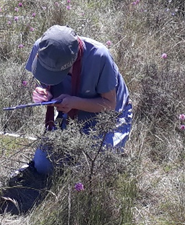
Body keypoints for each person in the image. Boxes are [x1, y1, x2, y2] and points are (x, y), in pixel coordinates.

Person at [24, 25, 133, 175]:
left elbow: (109, 105)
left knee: (89, 170)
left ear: (73, 60)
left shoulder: (99, 57)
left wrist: (75, 102)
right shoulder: (43, 49)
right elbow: (40, 81)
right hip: (70, 117)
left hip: (108, 118)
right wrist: (42, 91)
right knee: (43, 166)